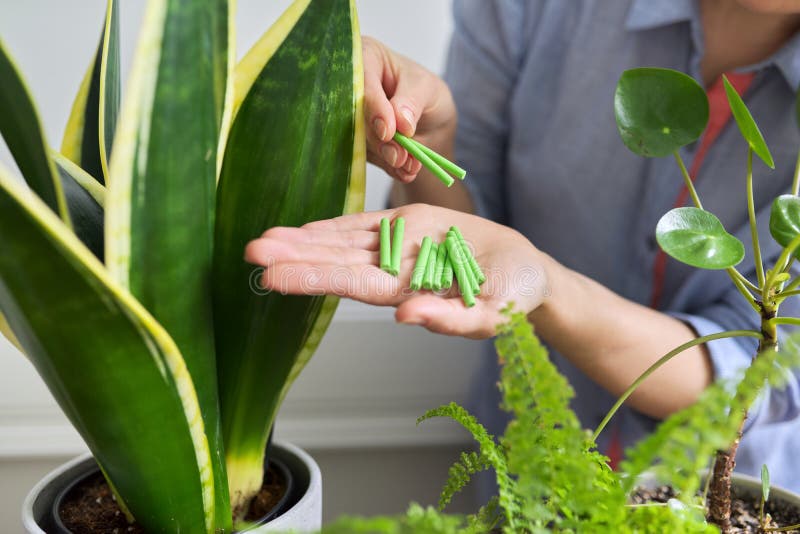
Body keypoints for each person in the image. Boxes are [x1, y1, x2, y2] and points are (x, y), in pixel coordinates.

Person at [246, 0, 800, 491]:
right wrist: (432, 142)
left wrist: (551, 287)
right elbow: (466, 234)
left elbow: (757, 375)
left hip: (729, 496)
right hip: (524, 479)